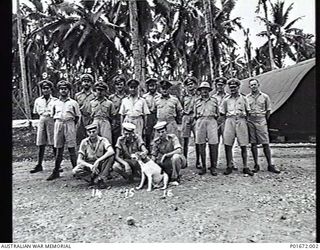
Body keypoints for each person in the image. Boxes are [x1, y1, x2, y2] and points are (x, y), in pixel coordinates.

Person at [47, 80, 81, 181]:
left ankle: (77, 171)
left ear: (68, 90)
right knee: (59, 149)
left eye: (65, 89)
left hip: (69, 124)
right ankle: (56, 171)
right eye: (61, 89)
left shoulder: (73, 103)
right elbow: (52, 115)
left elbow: (77, 116)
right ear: (59, 90)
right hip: (59, 124)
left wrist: (73, 127)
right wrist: (58, 125)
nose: (63, 91)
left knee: (72, 149)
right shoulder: (55, 103)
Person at [220, 78, 254, 176]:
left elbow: (248, 111)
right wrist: (225, 122)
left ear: (238, 87)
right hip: (229, 120)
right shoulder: (226, 100)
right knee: (228, 144)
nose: (233, 89)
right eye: (231, 87)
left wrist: (244, 117)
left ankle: (245, 166)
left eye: (234, 87)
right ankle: (229, 165)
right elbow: (222, 112)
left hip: (241, 120)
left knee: (243, 144)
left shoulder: (244, 98)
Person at [246, 78, 280, 173]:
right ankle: (256, 164)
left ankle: (270, 165)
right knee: (253, 143)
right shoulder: (247, 98)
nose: (253, 86)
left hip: (261, 119)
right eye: (251, 85)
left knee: (265, 143)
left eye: (255, 84)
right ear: (249, 87)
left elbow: (268, 110)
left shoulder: (265, 97)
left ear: (258, 85)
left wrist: (264, 120)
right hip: (251, 120)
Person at [72, 123, 115, 189]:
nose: (92, 134)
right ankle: (92, 179)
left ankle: (101, 179)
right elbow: (79, 160)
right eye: (89, 132)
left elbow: (111, 151)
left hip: (101, 164)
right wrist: (90, 166)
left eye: (93, 131)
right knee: (75, 171)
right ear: (87, 133)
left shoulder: (103, 140)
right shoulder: (84, 142)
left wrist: (98, 160)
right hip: (90, 165)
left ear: (97, 131)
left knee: (111, 156)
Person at [30, 80, 58, 173]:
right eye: (43, 88)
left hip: (51, 120)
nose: (45, 90)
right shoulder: (38, 100)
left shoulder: (55, 101)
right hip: (42, 119)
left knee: (54, 143)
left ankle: (57, 165)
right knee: (41, 142)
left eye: (47, 88)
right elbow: (35, 112)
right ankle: (39, 165)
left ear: (51, 89)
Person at [193, 82, 219, 176]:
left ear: (209, 90)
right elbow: (195, 115)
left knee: (213, 144)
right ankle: (203, 166)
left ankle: (213, 167)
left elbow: (218, 114)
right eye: (202, 89)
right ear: (200, 91)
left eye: (206, 89)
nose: (204, 91)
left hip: (211, 121)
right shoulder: (196, 101)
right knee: (201, 144)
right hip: (200, 121)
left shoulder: (214, 100)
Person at [212, 76, 236, 170]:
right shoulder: (213, 97)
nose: (220, 87)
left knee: (228, 142)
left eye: (222, 85)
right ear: (216, 85)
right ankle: (214, 164)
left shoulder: (229, 96)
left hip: (226, 121)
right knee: (215, 142)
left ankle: (230, 163)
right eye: (218, 85)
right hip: (215, 121)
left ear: (225, 85)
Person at [181, 76, 200, 169]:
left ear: (195, 85)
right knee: (185, 140)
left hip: (195, 118)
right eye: (188, 84)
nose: (190, 86)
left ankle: (198, 161)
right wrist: (183, 113)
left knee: (198, 140)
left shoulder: (198, 96)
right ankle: (184, 161)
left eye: (192, 84)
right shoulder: (184, 97)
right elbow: (179, 108)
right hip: (186, 118)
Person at [74, 73, 95, 144]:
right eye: (84, 81)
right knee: (80, 137)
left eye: (88, 81)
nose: (86, 83)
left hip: (91, 118)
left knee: (92, 136)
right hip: (81, 119)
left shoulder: (95, 95)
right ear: (81, 83)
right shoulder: (77, 95)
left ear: (91, 83)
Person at [142, 78, 160, 150]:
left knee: (157, 131)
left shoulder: (160, 96)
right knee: (147, 133)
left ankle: (156, 149)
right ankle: (147, 148)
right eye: (150, 86)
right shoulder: (144, 97)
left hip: (157, 116)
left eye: (153, 85)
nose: (152, 88)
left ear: (156, 86)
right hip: (148, 116)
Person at [109, 75, 126, 146]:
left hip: (125, 121)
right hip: (115, 122)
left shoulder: (127, 97)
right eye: (117, 84)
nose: (119, 86)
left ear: (124, 85)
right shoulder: (111, 98)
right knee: (114, 141)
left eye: (121, 84)